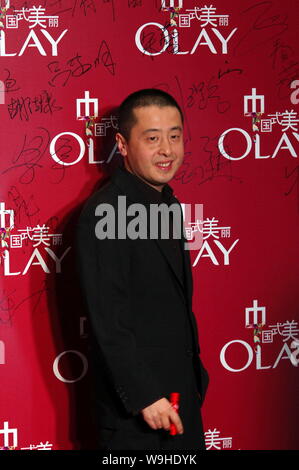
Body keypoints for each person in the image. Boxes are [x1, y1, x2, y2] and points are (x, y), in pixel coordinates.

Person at [75, 89, 209, 450]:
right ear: (122, 144)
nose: (167, 149)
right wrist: (145, 396)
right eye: (152, 138)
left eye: (175, 135)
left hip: (180, 401)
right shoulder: (106, 212)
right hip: (139, 417)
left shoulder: (167, 202)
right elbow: (108, 319)